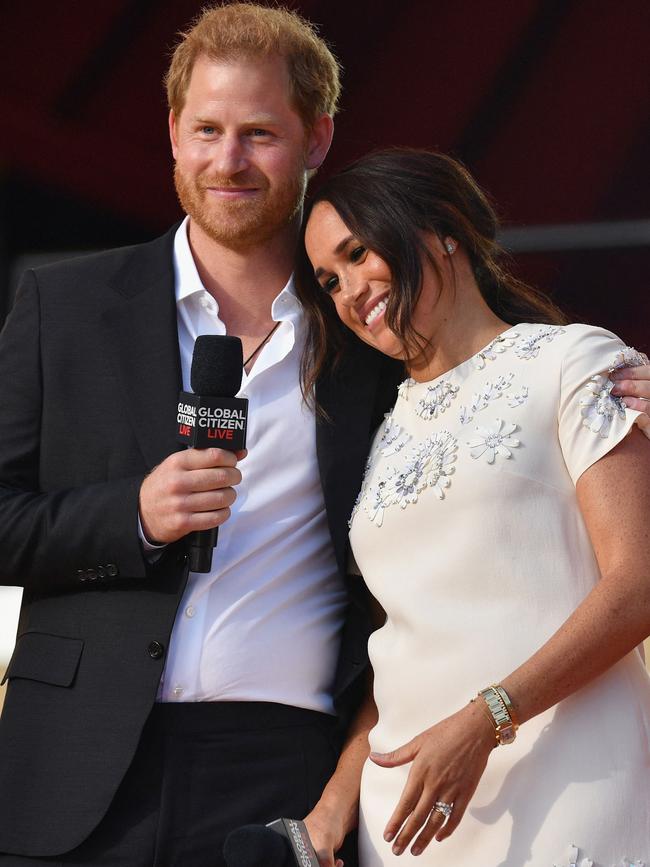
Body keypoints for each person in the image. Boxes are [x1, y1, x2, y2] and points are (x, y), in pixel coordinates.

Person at [0, 5, 402, 865]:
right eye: (208, 129)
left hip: (282, 773)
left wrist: (604, 381)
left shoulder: (372, 332)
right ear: (174, 133)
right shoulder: (62, 307)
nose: (228, 161)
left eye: (260, 133)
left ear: (317, 139)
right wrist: (134, 516)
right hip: (73, 768)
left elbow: (506, 375)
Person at [297, 148, 650, 866]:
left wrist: (487, 718)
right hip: (404, 821)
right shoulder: (378, 431)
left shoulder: (572, 361)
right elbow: (401, 646)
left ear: (441, 230)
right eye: (329, 281)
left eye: (358, 253)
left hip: (566, 780)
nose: (347, 291)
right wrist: (338, 795)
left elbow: (639, 582)